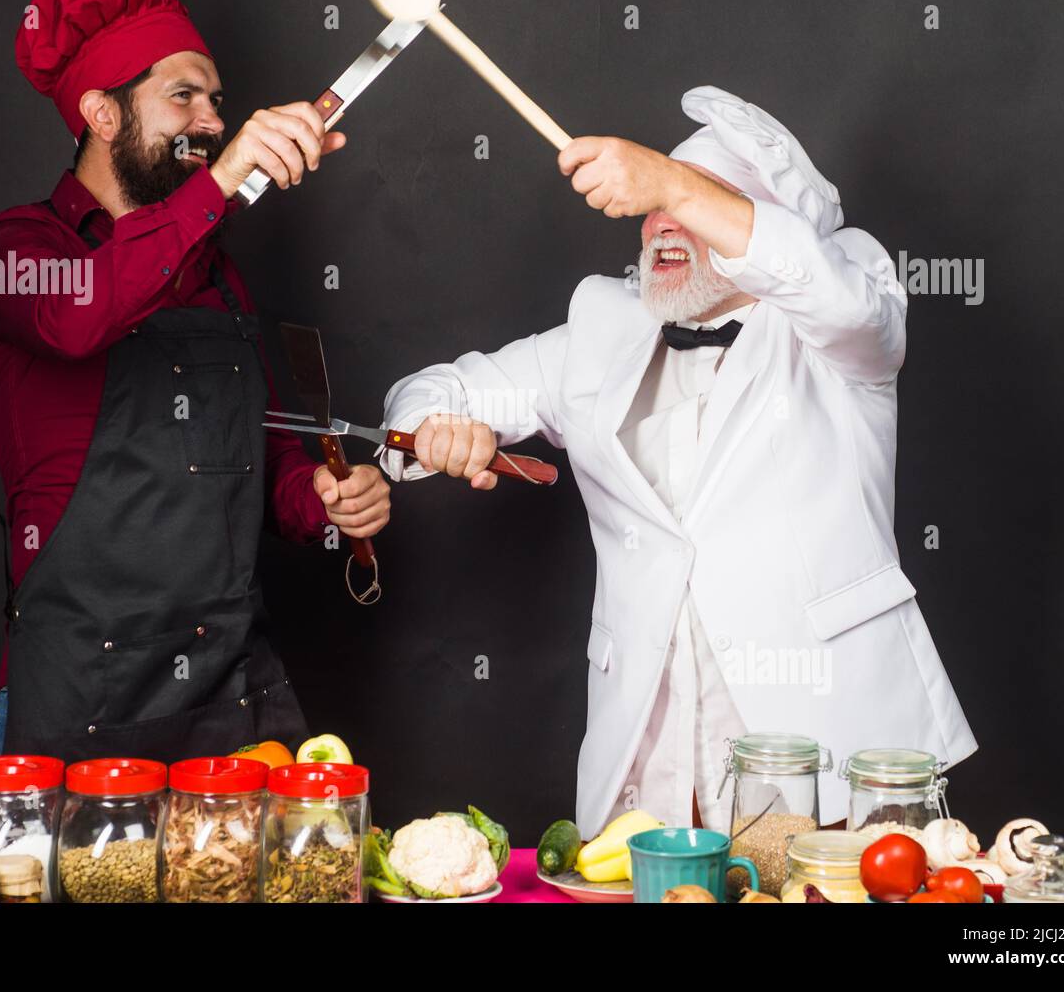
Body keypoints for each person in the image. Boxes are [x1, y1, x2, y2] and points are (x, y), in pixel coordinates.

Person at [378, 85, 976, 835]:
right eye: (654, 207)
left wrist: (668, 180)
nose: (660, 220)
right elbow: (436, 388)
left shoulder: (845, 324)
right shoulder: (602, 325)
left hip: (833, 764)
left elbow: (844, 301)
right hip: (652, 764)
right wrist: (431, 427)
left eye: (692, 204)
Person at [0, 0, 389, 763]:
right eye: (183, 96)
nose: (211, 121)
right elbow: (79, 314)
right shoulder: (13, 250)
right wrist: (223, 179)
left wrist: (326, 498)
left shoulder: (213, 275)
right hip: (78, 709)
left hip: (233, 704)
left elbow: (263, 466)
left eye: (217, 102)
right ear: (101, 113)